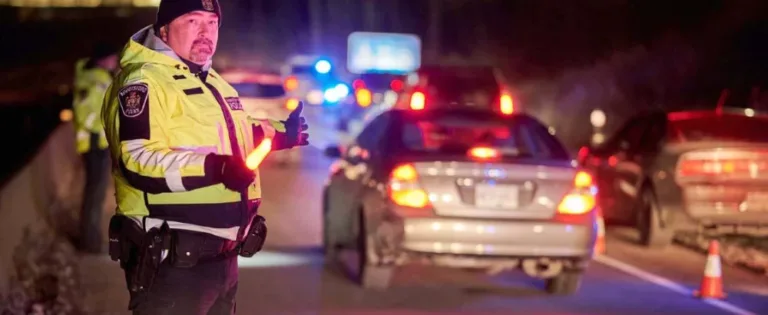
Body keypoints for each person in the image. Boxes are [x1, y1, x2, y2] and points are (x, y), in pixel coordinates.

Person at [100, 0, 309, 313]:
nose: (205, 32)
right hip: (173, 264)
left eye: (212, 23)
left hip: (223, 258)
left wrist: (280, 133)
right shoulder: (144, 82)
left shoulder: (212, 82)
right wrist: (215, 167)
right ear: (164, 30)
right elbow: (138, 159)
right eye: (193, 21)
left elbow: (229, 133)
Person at [72, 42, 118, 253]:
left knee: (96, 194)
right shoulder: (93, 81)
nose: (115, 61)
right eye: (112, 57)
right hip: (93, 144)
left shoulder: (98, 78)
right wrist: (103, 126)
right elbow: (84, 113)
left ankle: (92, 239)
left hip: (98, 143)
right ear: (102, 59)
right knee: (94, 194)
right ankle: (89, 242)